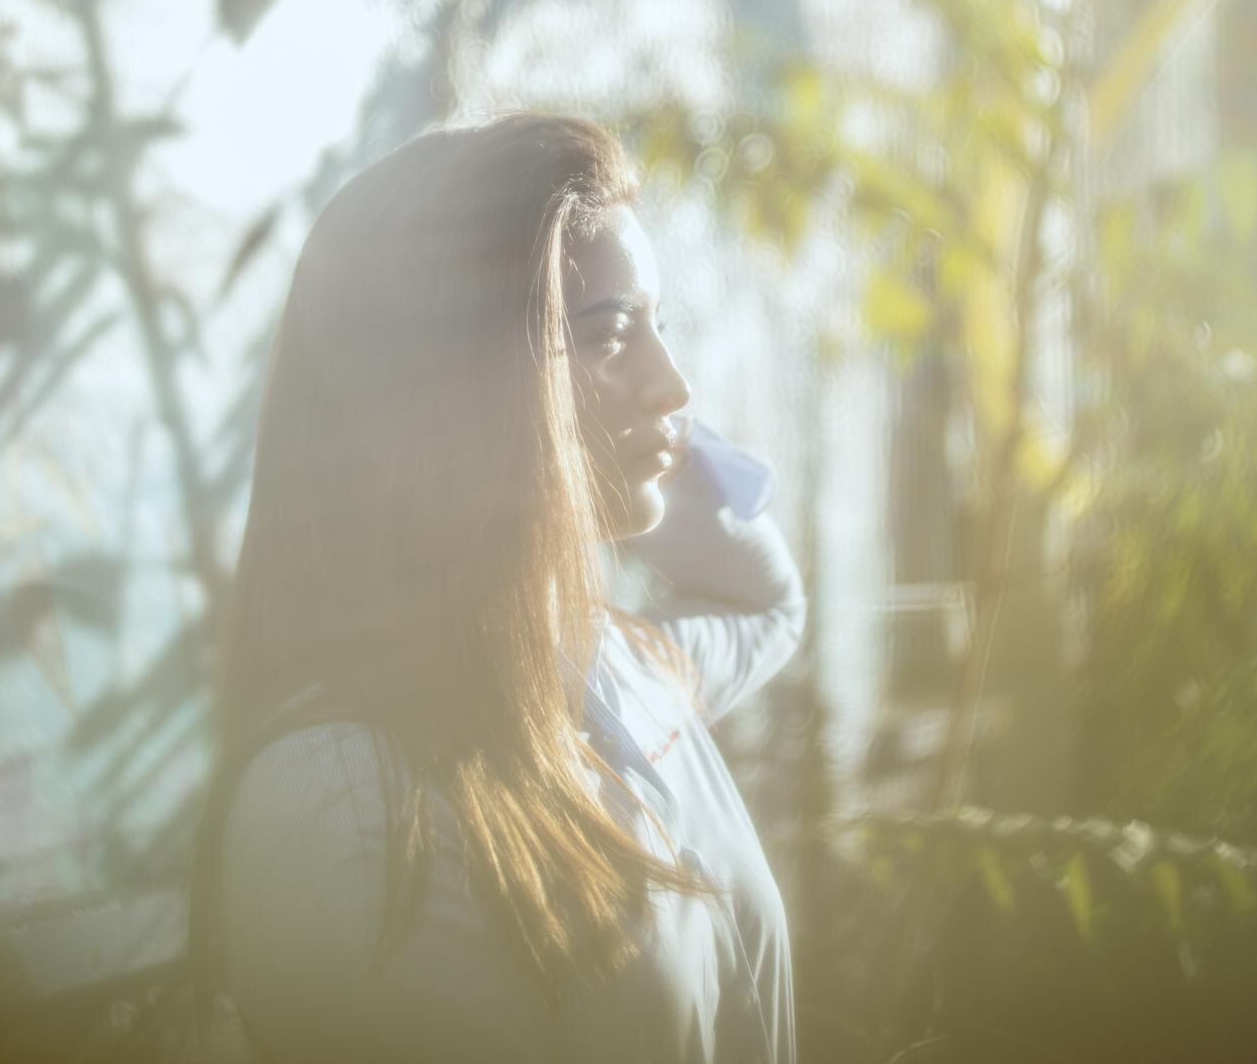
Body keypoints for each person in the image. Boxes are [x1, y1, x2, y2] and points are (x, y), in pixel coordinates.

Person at [189, 113, 808, 1063]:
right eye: (611, 334)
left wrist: (654, 439)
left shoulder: (623, 670)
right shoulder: (340, 803)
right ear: (452, 391)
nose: (676, 385)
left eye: (663, 327)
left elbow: (769, 604)